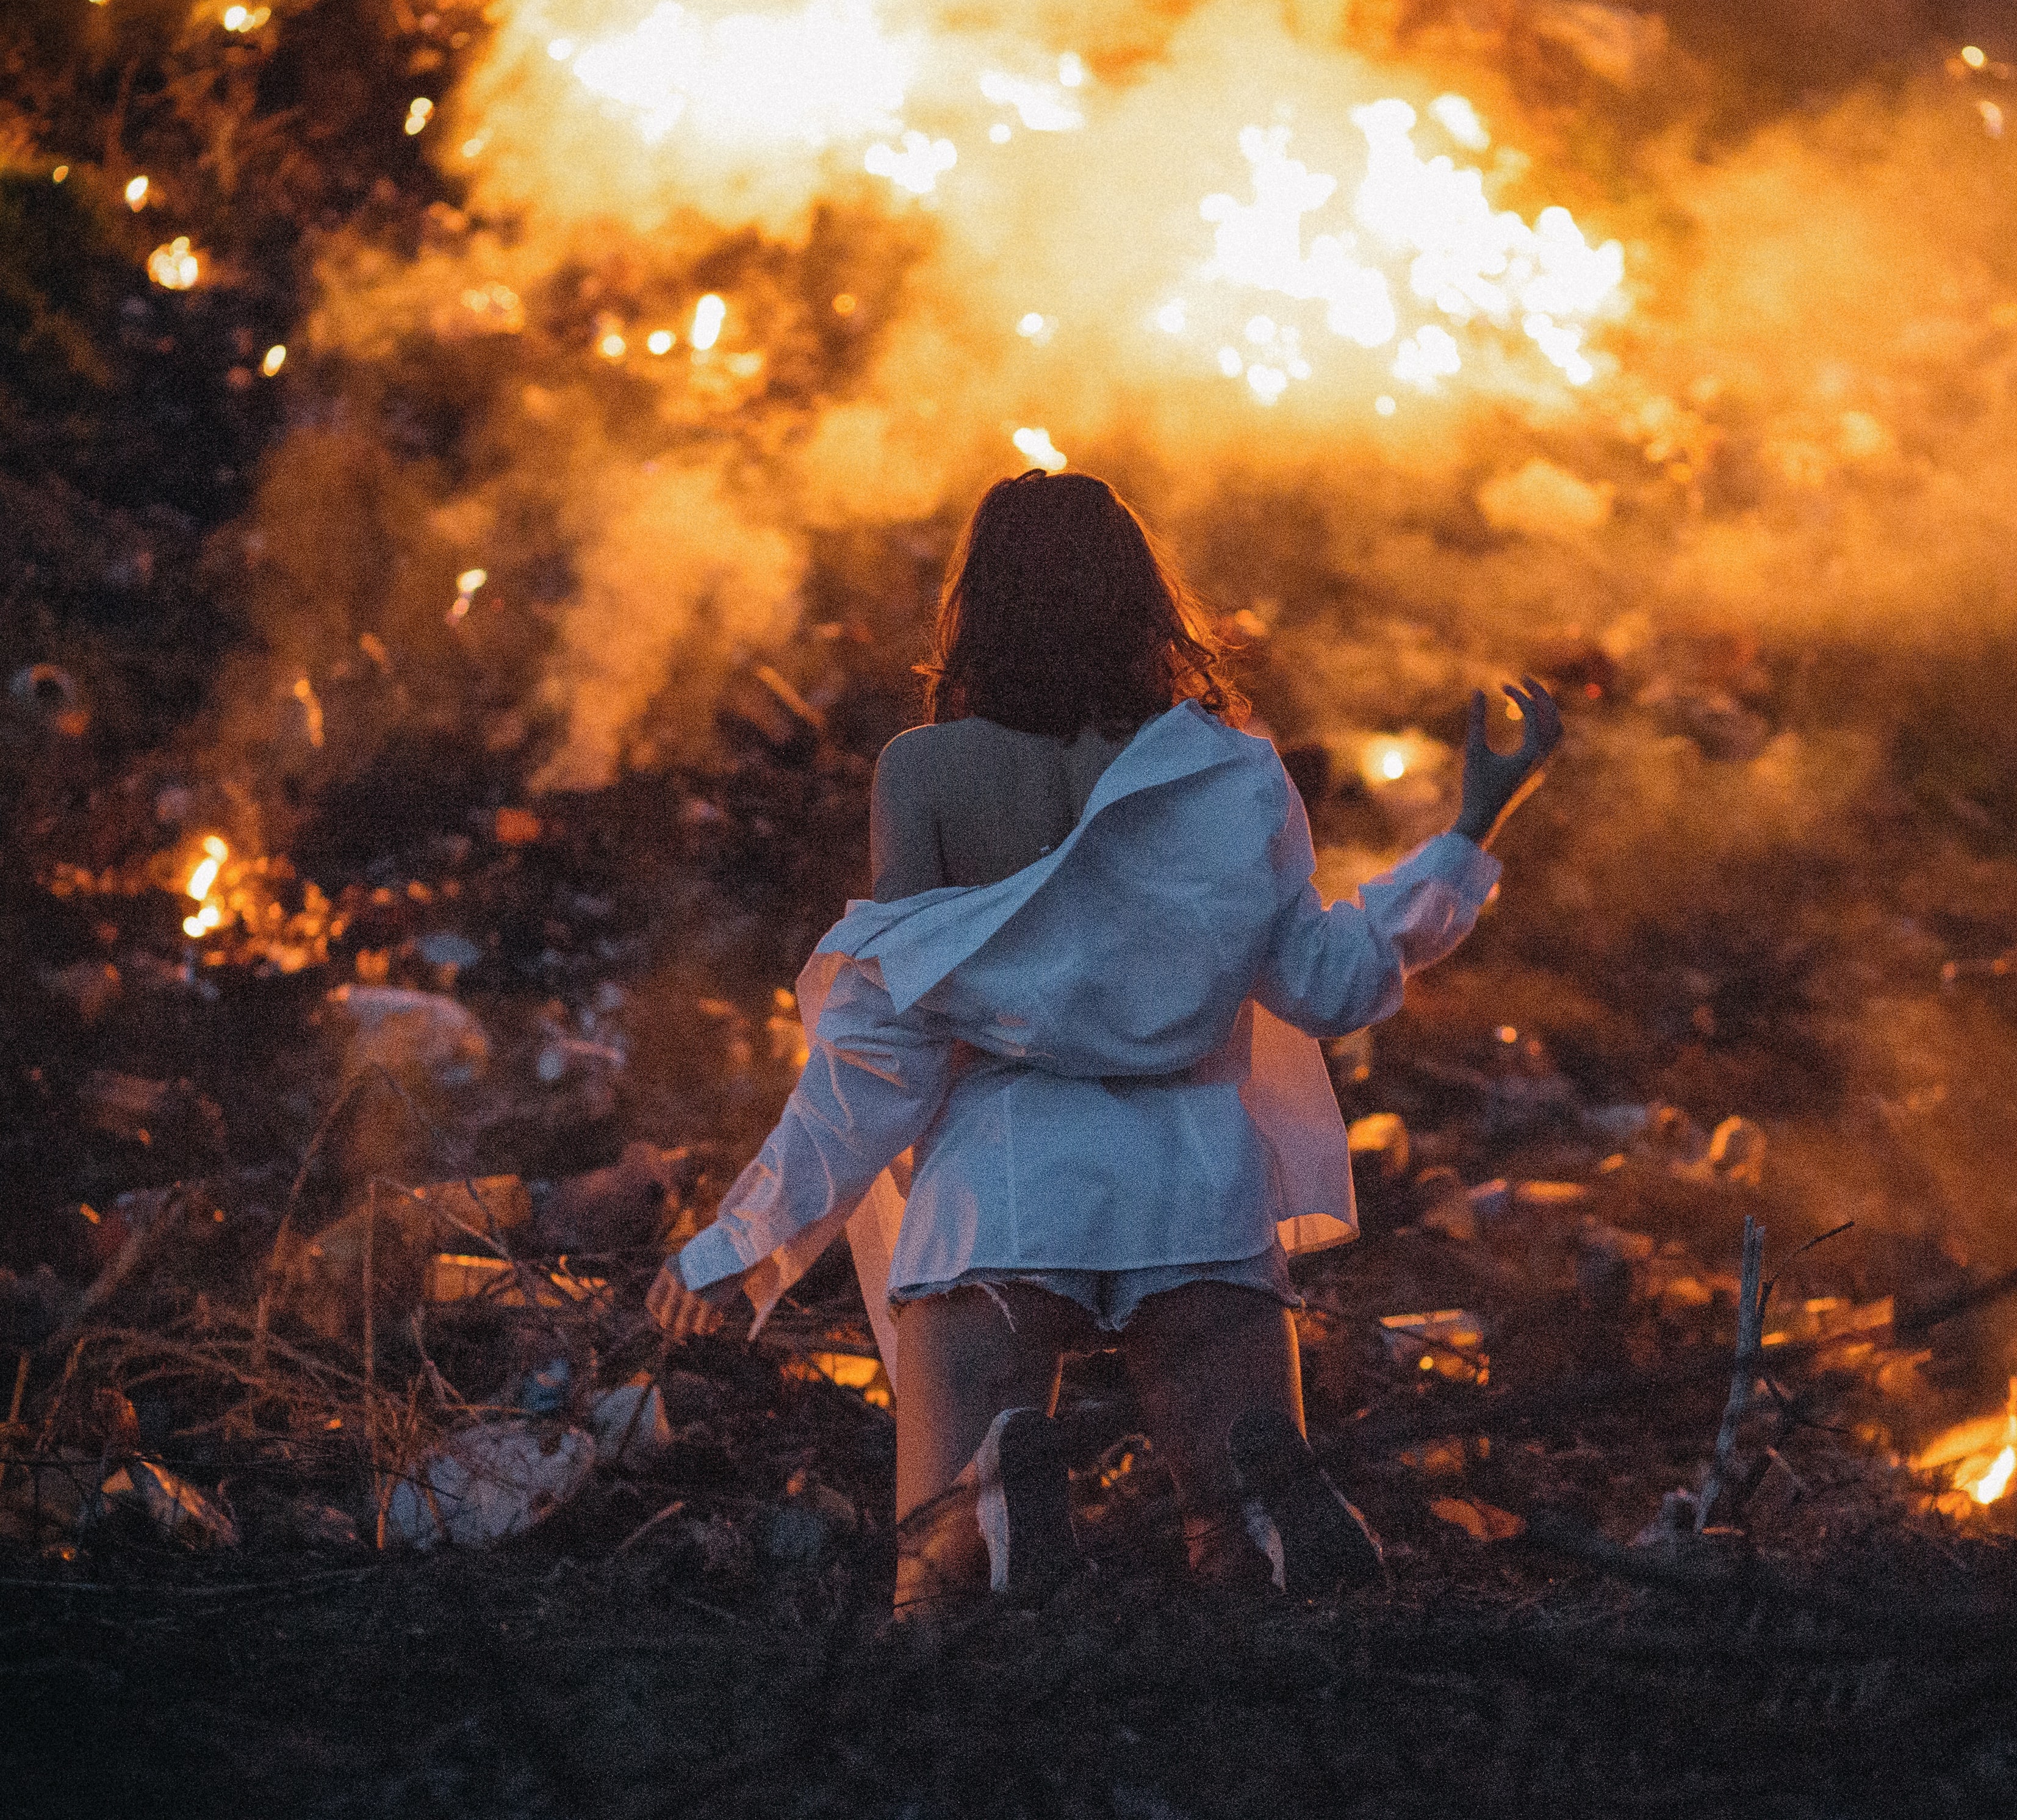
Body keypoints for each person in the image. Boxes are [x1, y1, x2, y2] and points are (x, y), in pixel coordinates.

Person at [645, 469, 1561, 1602]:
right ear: (1143, 604)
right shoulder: (1230, 770)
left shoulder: (925, 773)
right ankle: (1265, 1535)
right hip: (1197, 1190)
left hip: (1005, 1190)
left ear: (977, 607)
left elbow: (886, 1051)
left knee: (934, 1582)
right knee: (1235, 1557)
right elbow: (1328, 983)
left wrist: (741, 1245)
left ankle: (995, 1511)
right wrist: (1469, 830)